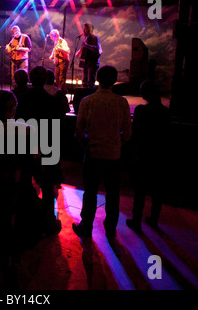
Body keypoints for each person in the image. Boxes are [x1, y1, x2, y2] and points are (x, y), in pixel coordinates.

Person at [0, 89, 43, 288]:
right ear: (12, 109)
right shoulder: (25, 129)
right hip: (16, 187)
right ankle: (9, 265)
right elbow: (34, 159)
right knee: (13, 225)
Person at [73, 65, 131, 239]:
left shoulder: (87, 101)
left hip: (93, 153)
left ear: (97, 79)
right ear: (114, 81)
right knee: (113, 193)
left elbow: (79, 130)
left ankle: (86, 226)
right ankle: (111, 228)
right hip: (113, 155)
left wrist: (86, 146)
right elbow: (127, 133)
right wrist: (116, 144)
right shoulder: (122, 102)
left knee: (90, 192)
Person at [15, 66, 63, 236]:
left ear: (30, 79)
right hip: (47, 146)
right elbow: (57, 128)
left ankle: (27, 221)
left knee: (26, 183)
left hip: (27, 147)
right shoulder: (53, 101)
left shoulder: (21, 99)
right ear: (45, 80)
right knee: (48, 187)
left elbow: (18, 124)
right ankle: (49, 222)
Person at [126, 81, 171, 232]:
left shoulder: (140, 111)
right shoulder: (166, 112)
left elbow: (135, 132)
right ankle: (153, 219)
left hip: (143, 153)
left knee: (140, 191)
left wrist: (132, 151)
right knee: (158, 191)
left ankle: (136, 220)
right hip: (159, 155)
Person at [75, 23, 102, 89]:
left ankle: (90, 97)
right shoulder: (86, 38)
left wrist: (86, 45)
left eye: (85, 29)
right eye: (83, 29)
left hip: (92, 63)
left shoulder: (94, 37)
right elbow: (84, 47)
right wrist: (79, 51)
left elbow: (97, 49)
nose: (83, 30)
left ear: (90, 30)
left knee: (90, 82)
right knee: (84, 81)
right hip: (86, 63)